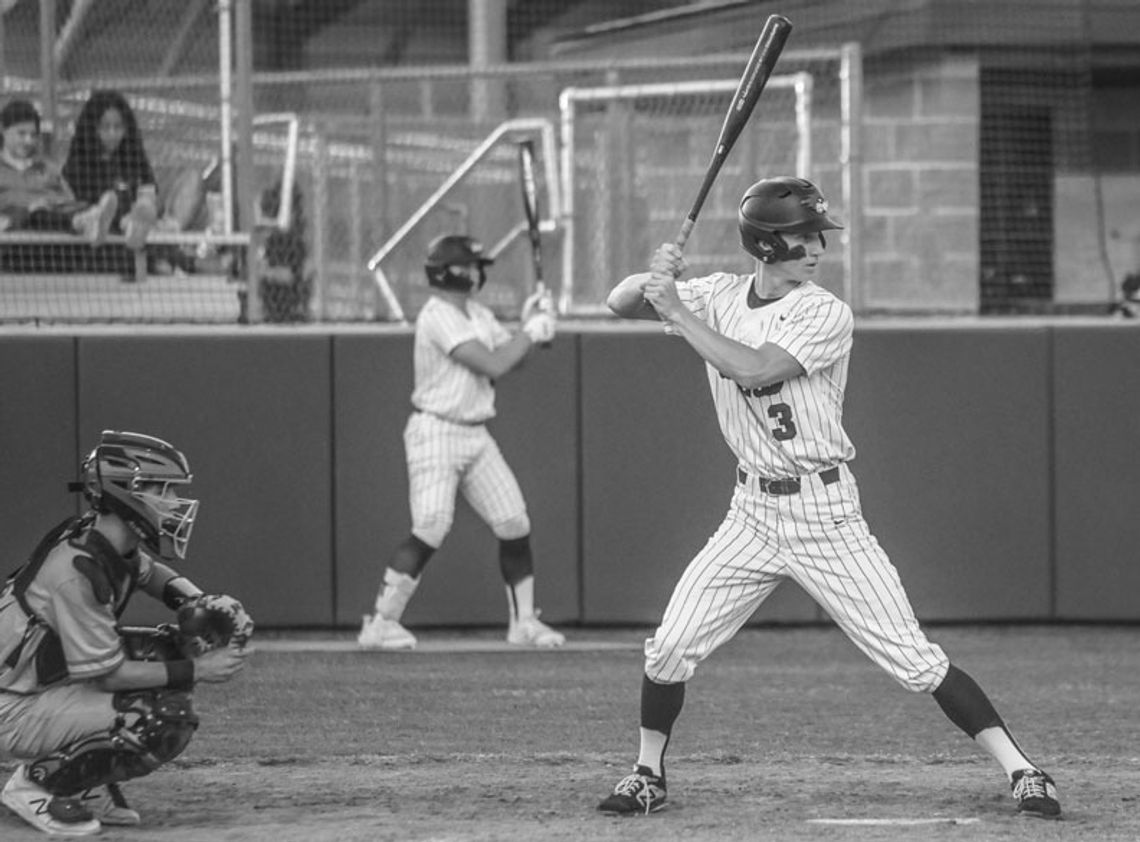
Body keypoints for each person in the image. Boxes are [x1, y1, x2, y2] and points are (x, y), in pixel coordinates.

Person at [596, 176, 1061, 820]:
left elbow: (753, 368)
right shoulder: (718, 294)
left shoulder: (824, 311)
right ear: (764, 244)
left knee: (913, 660)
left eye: (818, 235)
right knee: (669, 647)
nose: (817, 247)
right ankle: (648, 773)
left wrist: (675, 309)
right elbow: (619, 304)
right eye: (801, 236)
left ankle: (1025, 771)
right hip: (750, 515)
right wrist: (655, 277)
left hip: (825, 514)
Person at [0, 431, 253, 836]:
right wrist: (198, 668)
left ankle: (85, 780)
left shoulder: (105, 541)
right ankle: (38, 784)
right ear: (127, 493)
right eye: (163, 489)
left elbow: (149, 574)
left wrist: (194, 602)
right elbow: (109, 676)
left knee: (163, 650)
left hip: (34, 686)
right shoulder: (75, 573)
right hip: (11, 707)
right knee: (158, 722)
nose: (173, 502)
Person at [358, 234, 565, 650]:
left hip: (475, 434)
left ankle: (523, 622)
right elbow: (492, 363)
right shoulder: (437, 315)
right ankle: (380, 623)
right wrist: (530, 333)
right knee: (432, 525)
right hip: (436, 431)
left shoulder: (476, 313)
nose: (477, 272)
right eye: (470, 266)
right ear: (448, 271)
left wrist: (534, 327)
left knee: (514, 522)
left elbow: (512, 353)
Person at [62, 89, 206, 273]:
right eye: (105, 127)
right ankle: (164, 256)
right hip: (109, 241)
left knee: (192, 178)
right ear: (92, 128)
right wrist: (124, 219)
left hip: (145, 226)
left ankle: (164, 236)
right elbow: (86, 210)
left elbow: (148, 192)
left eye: (118, 127)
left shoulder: (133, 157)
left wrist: (146, 207)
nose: (113, 134)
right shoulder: (77, 166)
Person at [0, 98, 117, 248]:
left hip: (59, 233)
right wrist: (28, 210)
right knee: (38, 213)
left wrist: (55, 204)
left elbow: (69, 200)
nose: (29, 141)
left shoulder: (48, 167)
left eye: (33, 135)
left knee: (84, 209)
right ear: (3, 129)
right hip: (18, 238)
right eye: (21, 134)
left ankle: (92, 218)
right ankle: (82, 222)